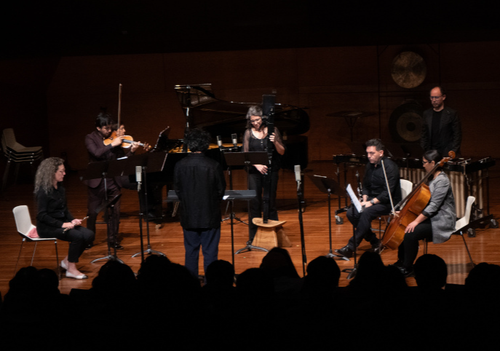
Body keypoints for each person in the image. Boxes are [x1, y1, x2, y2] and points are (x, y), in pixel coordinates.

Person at [336, 139, 402, 258]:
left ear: (381, 153)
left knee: (366, 213)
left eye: (372, 153)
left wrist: (370, 203)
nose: (368, 156)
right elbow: (366, 185)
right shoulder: (369, 166)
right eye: (367, 153)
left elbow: (387, 193)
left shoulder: (390, 167)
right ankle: (374, 241)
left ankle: (351, 247)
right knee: (351, 213)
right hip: (372, 200)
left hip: (388, 202)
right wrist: (364, 200)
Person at [174, 128, 226, 278]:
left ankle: (191, 286)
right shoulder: (214, 165)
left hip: (189, 216)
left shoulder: (180, 165)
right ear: (206, 144)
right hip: (210, 216)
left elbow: (178, 190)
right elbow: (220, 191)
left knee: (190, 252)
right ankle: (211, 286)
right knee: (210, 253)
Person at [395, 149, 456, 276]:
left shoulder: (442, 181)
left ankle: (408, 267)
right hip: (431, 216)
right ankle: (401, 261)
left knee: (410, 233)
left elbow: (434, 206)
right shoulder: (432, 178)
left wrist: (416, 221)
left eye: (424, 162)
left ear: (432, 163)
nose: (422, 165)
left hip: (441, 219)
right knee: (404, 226)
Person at [84, 112, 140, 249]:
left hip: (112, 180)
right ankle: (89, 239)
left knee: (115, 212)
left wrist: (131, 151)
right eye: (106, 129)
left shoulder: (115, 139)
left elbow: (121, 161)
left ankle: (113, 240)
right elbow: (96, 153)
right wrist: (111, 145)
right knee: (93, 212)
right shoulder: (90, 138)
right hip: (96, 180)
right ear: (98, 128)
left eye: (110, 128)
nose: (109, 131)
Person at [34, 157, 94, 279]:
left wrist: (72, 220)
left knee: (89, 235)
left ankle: (67, 261)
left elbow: (64, 210)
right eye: (61, 171)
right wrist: (62, 225)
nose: (64, 174)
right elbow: (41, 215)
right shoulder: (43, 192)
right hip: (46, 227)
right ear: (52, 172)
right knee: (77, 236)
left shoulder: (60, 189)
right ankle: (71, 269)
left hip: (61, 223)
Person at [242, 105, 286, 241]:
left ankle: (273, 234)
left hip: (271, 171)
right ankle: (253, 236)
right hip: (254, 172)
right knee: (255, 202)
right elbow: (246, 154)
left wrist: (275, 142)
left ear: (263, 118)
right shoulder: (248, 133)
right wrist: (257, 165)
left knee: (270, 201)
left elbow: (282, 151)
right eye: (252, 121)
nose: (255, 123)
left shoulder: (273, 130)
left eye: (257, 120)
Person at [421, 86, 462, 157]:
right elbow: (424, 133)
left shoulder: (451, 113)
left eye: (436, 97)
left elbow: (457, 135)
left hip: (447, 152)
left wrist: (453, 151)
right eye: (431, 97)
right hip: (431, 153)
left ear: (443, 97)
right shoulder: (426, 114)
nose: (433, 100)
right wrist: (424, 148)